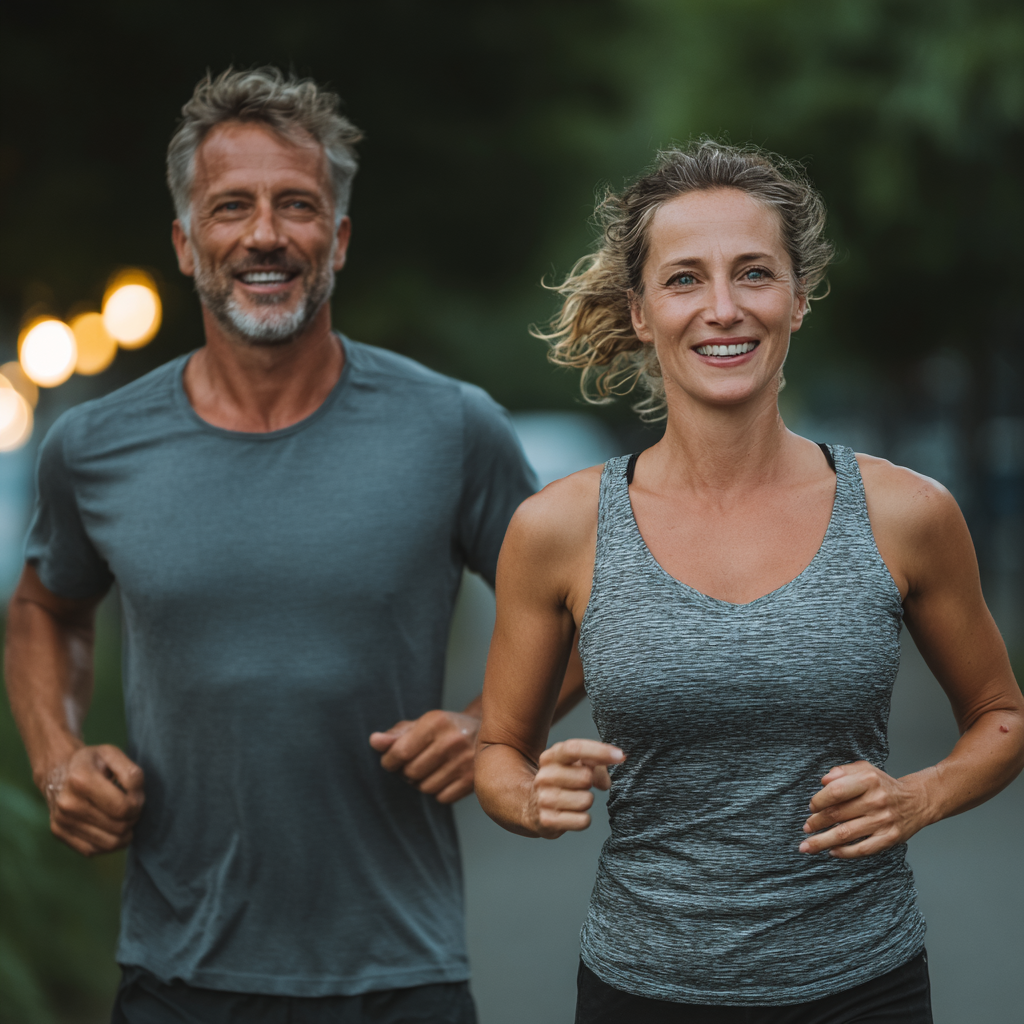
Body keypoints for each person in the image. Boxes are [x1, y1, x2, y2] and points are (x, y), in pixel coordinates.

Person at [3, 67, 570, 1024]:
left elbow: (583, 607)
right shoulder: (94, 448)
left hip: (402, 971)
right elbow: (44, 606)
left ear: (337, 239)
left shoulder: (451, 428)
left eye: (297, 205)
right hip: (177, 974)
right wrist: (59, 755)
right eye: (231, 207)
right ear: (187, 245)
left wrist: (491, 724)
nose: (265, 234)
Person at [474, 141, 1024, 1024]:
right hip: (640, 990)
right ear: (642, 309)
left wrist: (918, 796)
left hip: (864, 986)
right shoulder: (559, 527)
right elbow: (498, 749)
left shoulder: (904, 513)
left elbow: (1002, 717)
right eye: (685, 279)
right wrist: (526, 796)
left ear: (799, 299)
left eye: (754, 273)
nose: (723, 309)